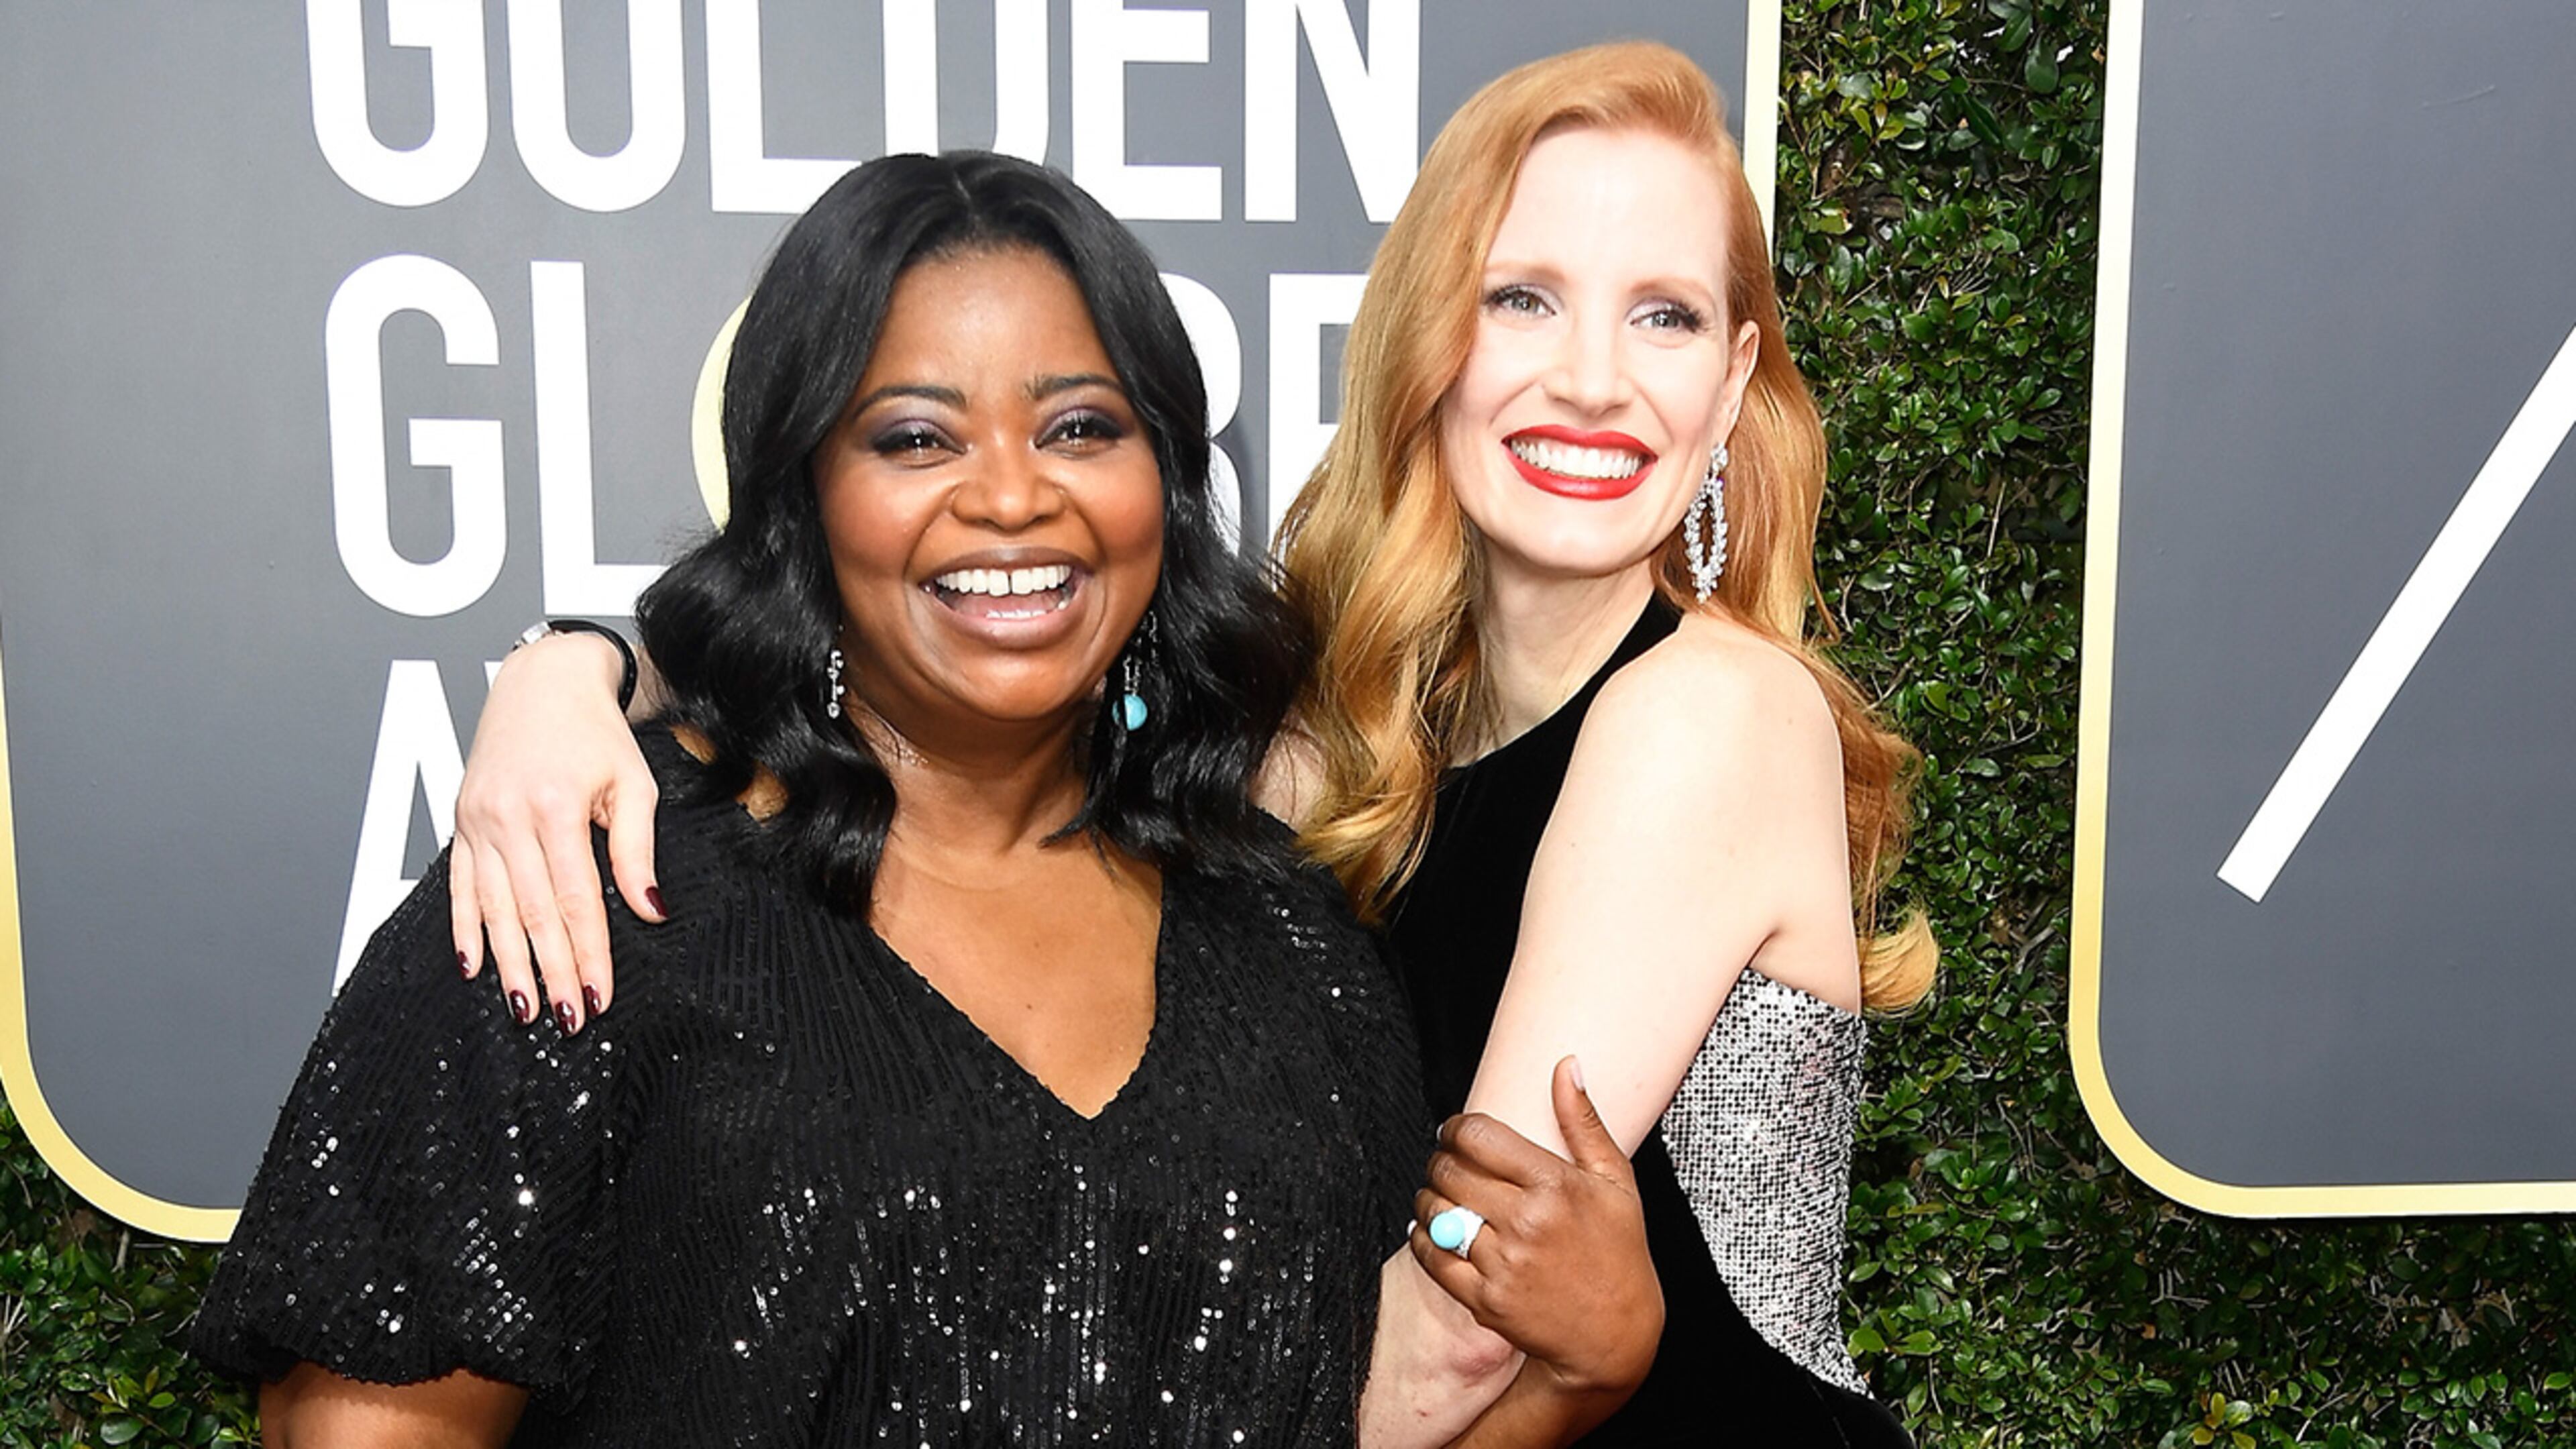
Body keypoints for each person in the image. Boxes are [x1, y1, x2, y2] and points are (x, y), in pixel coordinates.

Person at [445, 42, 1927, 1446]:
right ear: (1429, 335)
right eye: (1523, 298)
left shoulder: (1711, 714)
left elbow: (1465, 1316)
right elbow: (972, 649)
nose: (1596, 379)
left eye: (1662, 314)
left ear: (1730, 384)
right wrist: (570, 674)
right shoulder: (1354, 708)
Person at [195, 150, 1656, 1446]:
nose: (1013, 496)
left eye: (1082, 427)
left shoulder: (1289, 949)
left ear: (1166, 480)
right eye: (915, 437)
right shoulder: (589, 899)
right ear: (802, 498)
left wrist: (1575, 1380)